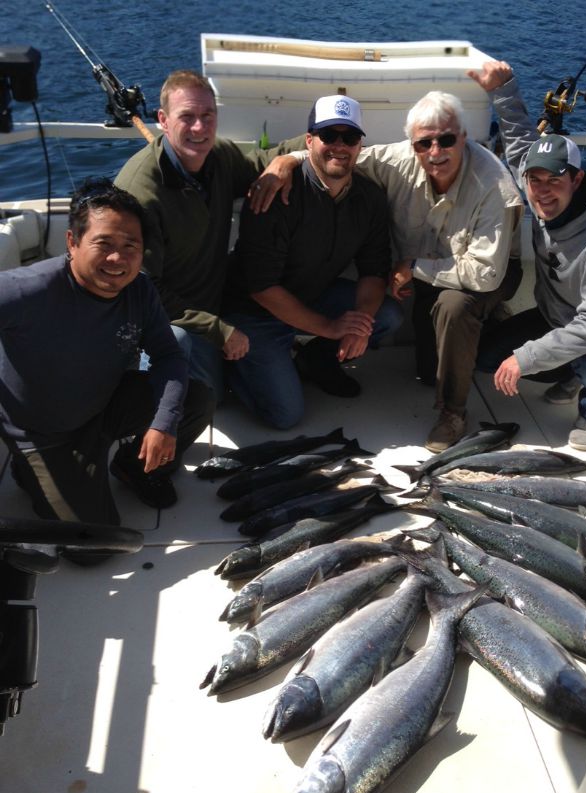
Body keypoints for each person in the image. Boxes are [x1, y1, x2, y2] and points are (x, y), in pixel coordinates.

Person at [252, 91, 523, 451]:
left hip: (487, 273)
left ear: (463, 137)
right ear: (412, 144)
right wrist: (285, 160)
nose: (435, 152)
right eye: (424, 143)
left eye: (445, 140)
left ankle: (453, 412)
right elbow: (341, 159)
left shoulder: (494, 186)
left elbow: (485, 273)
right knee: (427, 373)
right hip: (428, 271)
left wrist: (411, 268)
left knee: (451, 307)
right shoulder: (394, 160)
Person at [0, 179, 214, 526]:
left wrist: (163, 424)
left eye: (131, 245)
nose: (118, 258)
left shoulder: (139, 288)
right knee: (95, 547)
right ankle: (32, 474)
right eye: (104, 243)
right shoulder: (27, 290)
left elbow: (167, 355)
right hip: (44, 436)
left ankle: (132, 466)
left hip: (102, 407)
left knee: (196, 400)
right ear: (72, 242)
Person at [470, 61, 586, 451]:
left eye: (555, 180)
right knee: (487, 357)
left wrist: (526, 358)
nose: (542, 191)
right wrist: (503, 87)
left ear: (575, 179)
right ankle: (573, 368)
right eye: (535, 180)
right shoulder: (539, 192)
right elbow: (520, 143)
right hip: (558, 316)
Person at [115, 69, 303, 405]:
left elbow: (261, 162)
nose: (200, 128)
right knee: (206, 398)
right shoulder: (140, 193)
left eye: (207, 115)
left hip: (221, 304)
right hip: (171, 321)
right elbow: (141, 291)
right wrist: (218, 331)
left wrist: (290, 158)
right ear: (163, 120)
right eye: (186, 117)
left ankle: (239, 368)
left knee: (283, 411)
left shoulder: (219, 157)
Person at [225, 94, 403, 430]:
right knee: (285, 415)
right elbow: (261, 288)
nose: (339, 146)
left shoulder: (370, 199)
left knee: (386, 316)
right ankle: (234, 364)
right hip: (253, 312)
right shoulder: (274, 193)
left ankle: (315, 359)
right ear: (308, 141)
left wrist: (359, 323)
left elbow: (374, 270)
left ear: (360, 146)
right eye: (328, 136)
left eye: (349, 137)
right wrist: (332, 328)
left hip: (313, 295)